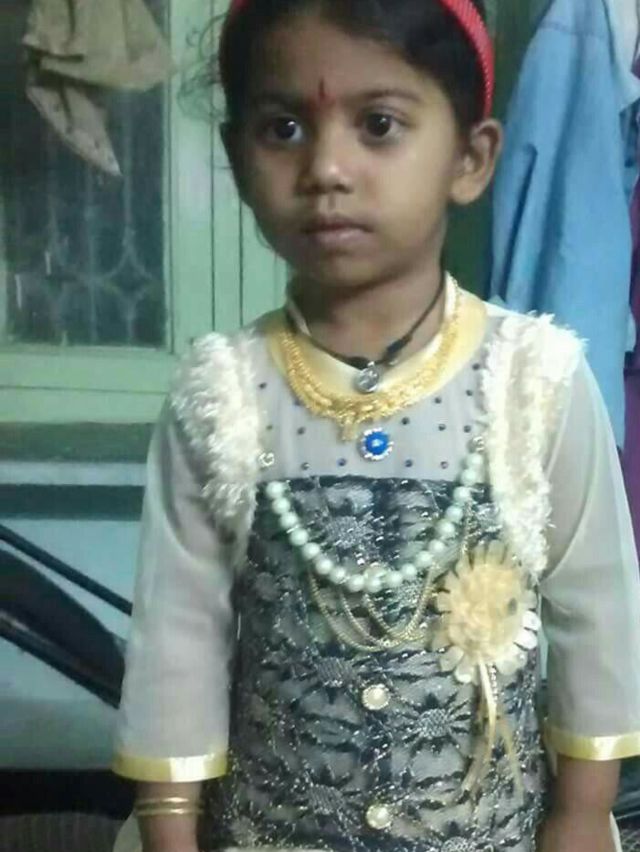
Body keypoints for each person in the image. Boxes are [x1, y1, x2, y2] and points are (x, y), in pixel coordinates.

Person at [112, 1, 640, 850]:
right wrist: (169, 828)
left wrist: (581, 813)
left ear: (471, 159)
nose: (326, 168)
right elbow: (178, 637)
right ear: (237, 159)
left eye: (379, 125)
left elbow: (598, 615)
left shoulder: (534, 381)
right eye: (283, 128)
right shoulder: (222, 394)